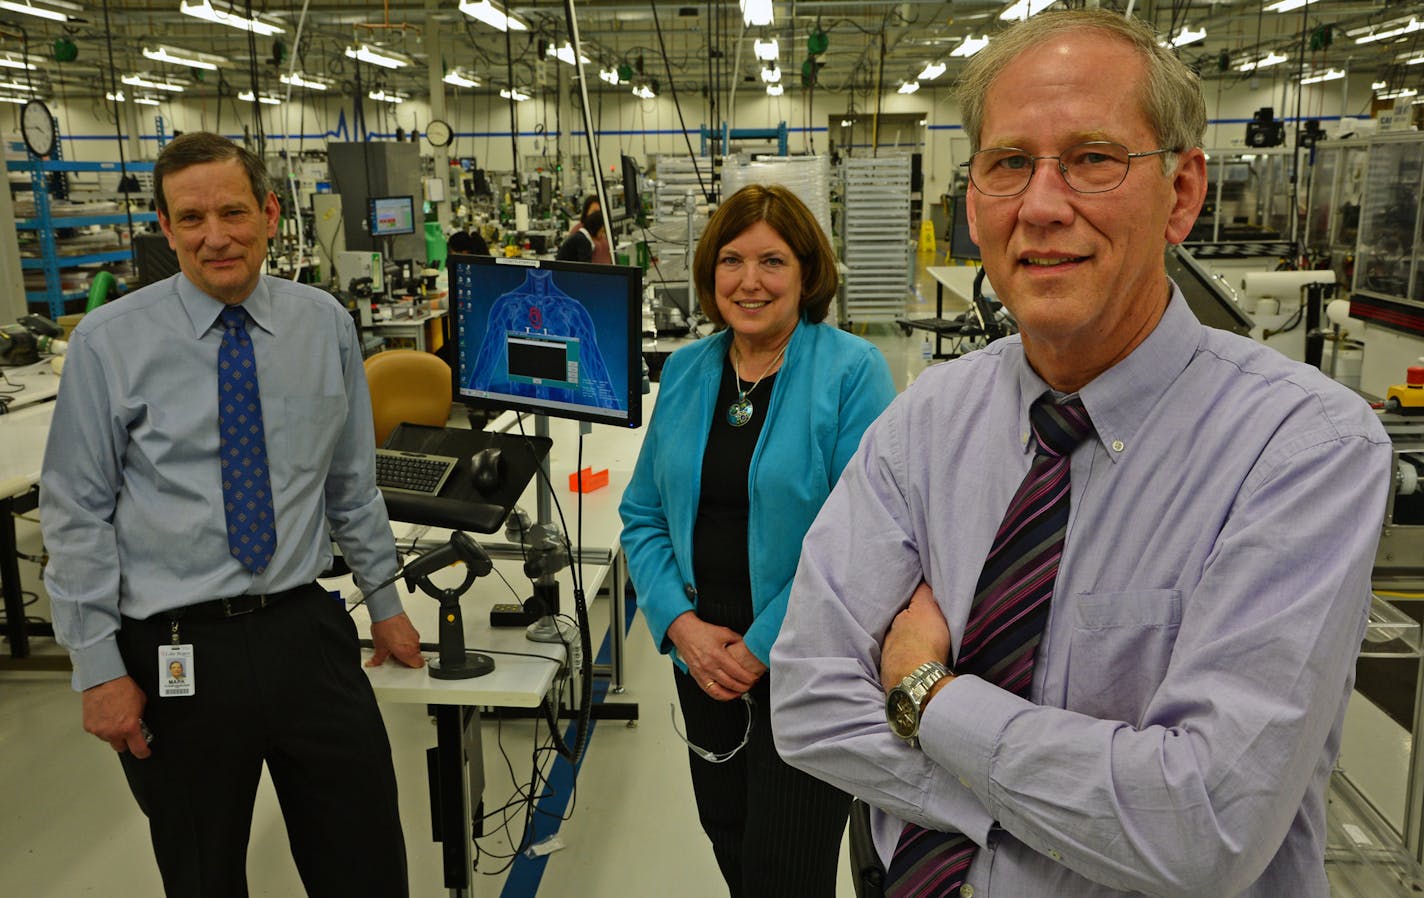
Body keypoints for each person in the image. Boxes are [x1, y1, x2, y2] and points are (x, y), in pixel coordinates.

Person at [769, 11, 1392, 898]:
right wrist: (1048, 806)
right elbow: (806, 700)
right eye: (1010, 162)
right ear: (975, 199)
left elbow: (1203, 826)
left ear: (1181, 194)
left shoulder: (1302, 451)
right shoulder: (928, 421)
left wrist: (924, 693)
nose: (1043, 204)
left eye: (1094, 159)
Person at [40, 131, 424, 898]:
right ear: (163, 226)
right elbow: (75, 512)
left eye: (233, 211)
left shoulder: (324, 325)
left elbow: (350, 482)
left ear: (270, 212)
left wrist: (385, 604)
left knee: (366, 861)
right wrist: (98, 670)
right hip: (175, 650)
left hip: (304, 634)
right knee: (203, 873)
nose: (215, 236)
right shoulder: (109, 345)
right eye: (190, 218)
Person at [619, 183, 896, 896]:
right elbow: (643, 512)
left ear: (807, 274)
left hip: (809, 668)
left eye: (772, 261)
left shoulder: (851, 372)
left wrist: (759, 646)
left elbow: (862, 538)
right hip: (701, 666)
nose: (749, 281)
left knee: (787, 871)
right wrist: (679, 627)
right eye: (732, 260)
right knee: (732, 844)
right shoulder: (685, 371)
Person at [568, 194, 613, 264]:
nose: (597, 216)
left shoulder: (603, 229)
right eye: (594, 212)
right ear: (586, 212)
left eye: (599, 212)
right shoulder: (579, 231)